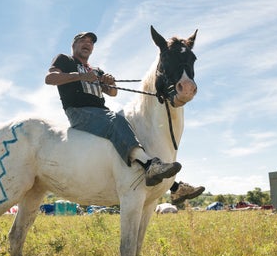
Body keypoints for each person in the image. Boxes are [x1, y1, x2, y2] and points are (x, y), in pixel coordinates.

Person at [45, 31, 182, 186]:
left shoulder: (95, 70)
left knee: (133, 124)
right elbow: (50, 79)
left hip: (102, 112)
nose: (87, 44)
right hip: (79, 112)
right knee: (116, 121)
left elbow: (113, 93)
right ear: (74, 45)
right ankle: (149, 166)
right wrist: (80, 76)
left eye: (91, 42)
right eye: (83, 40)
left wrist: (110, 83)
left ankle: (173, 186)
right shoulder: (64, 59)